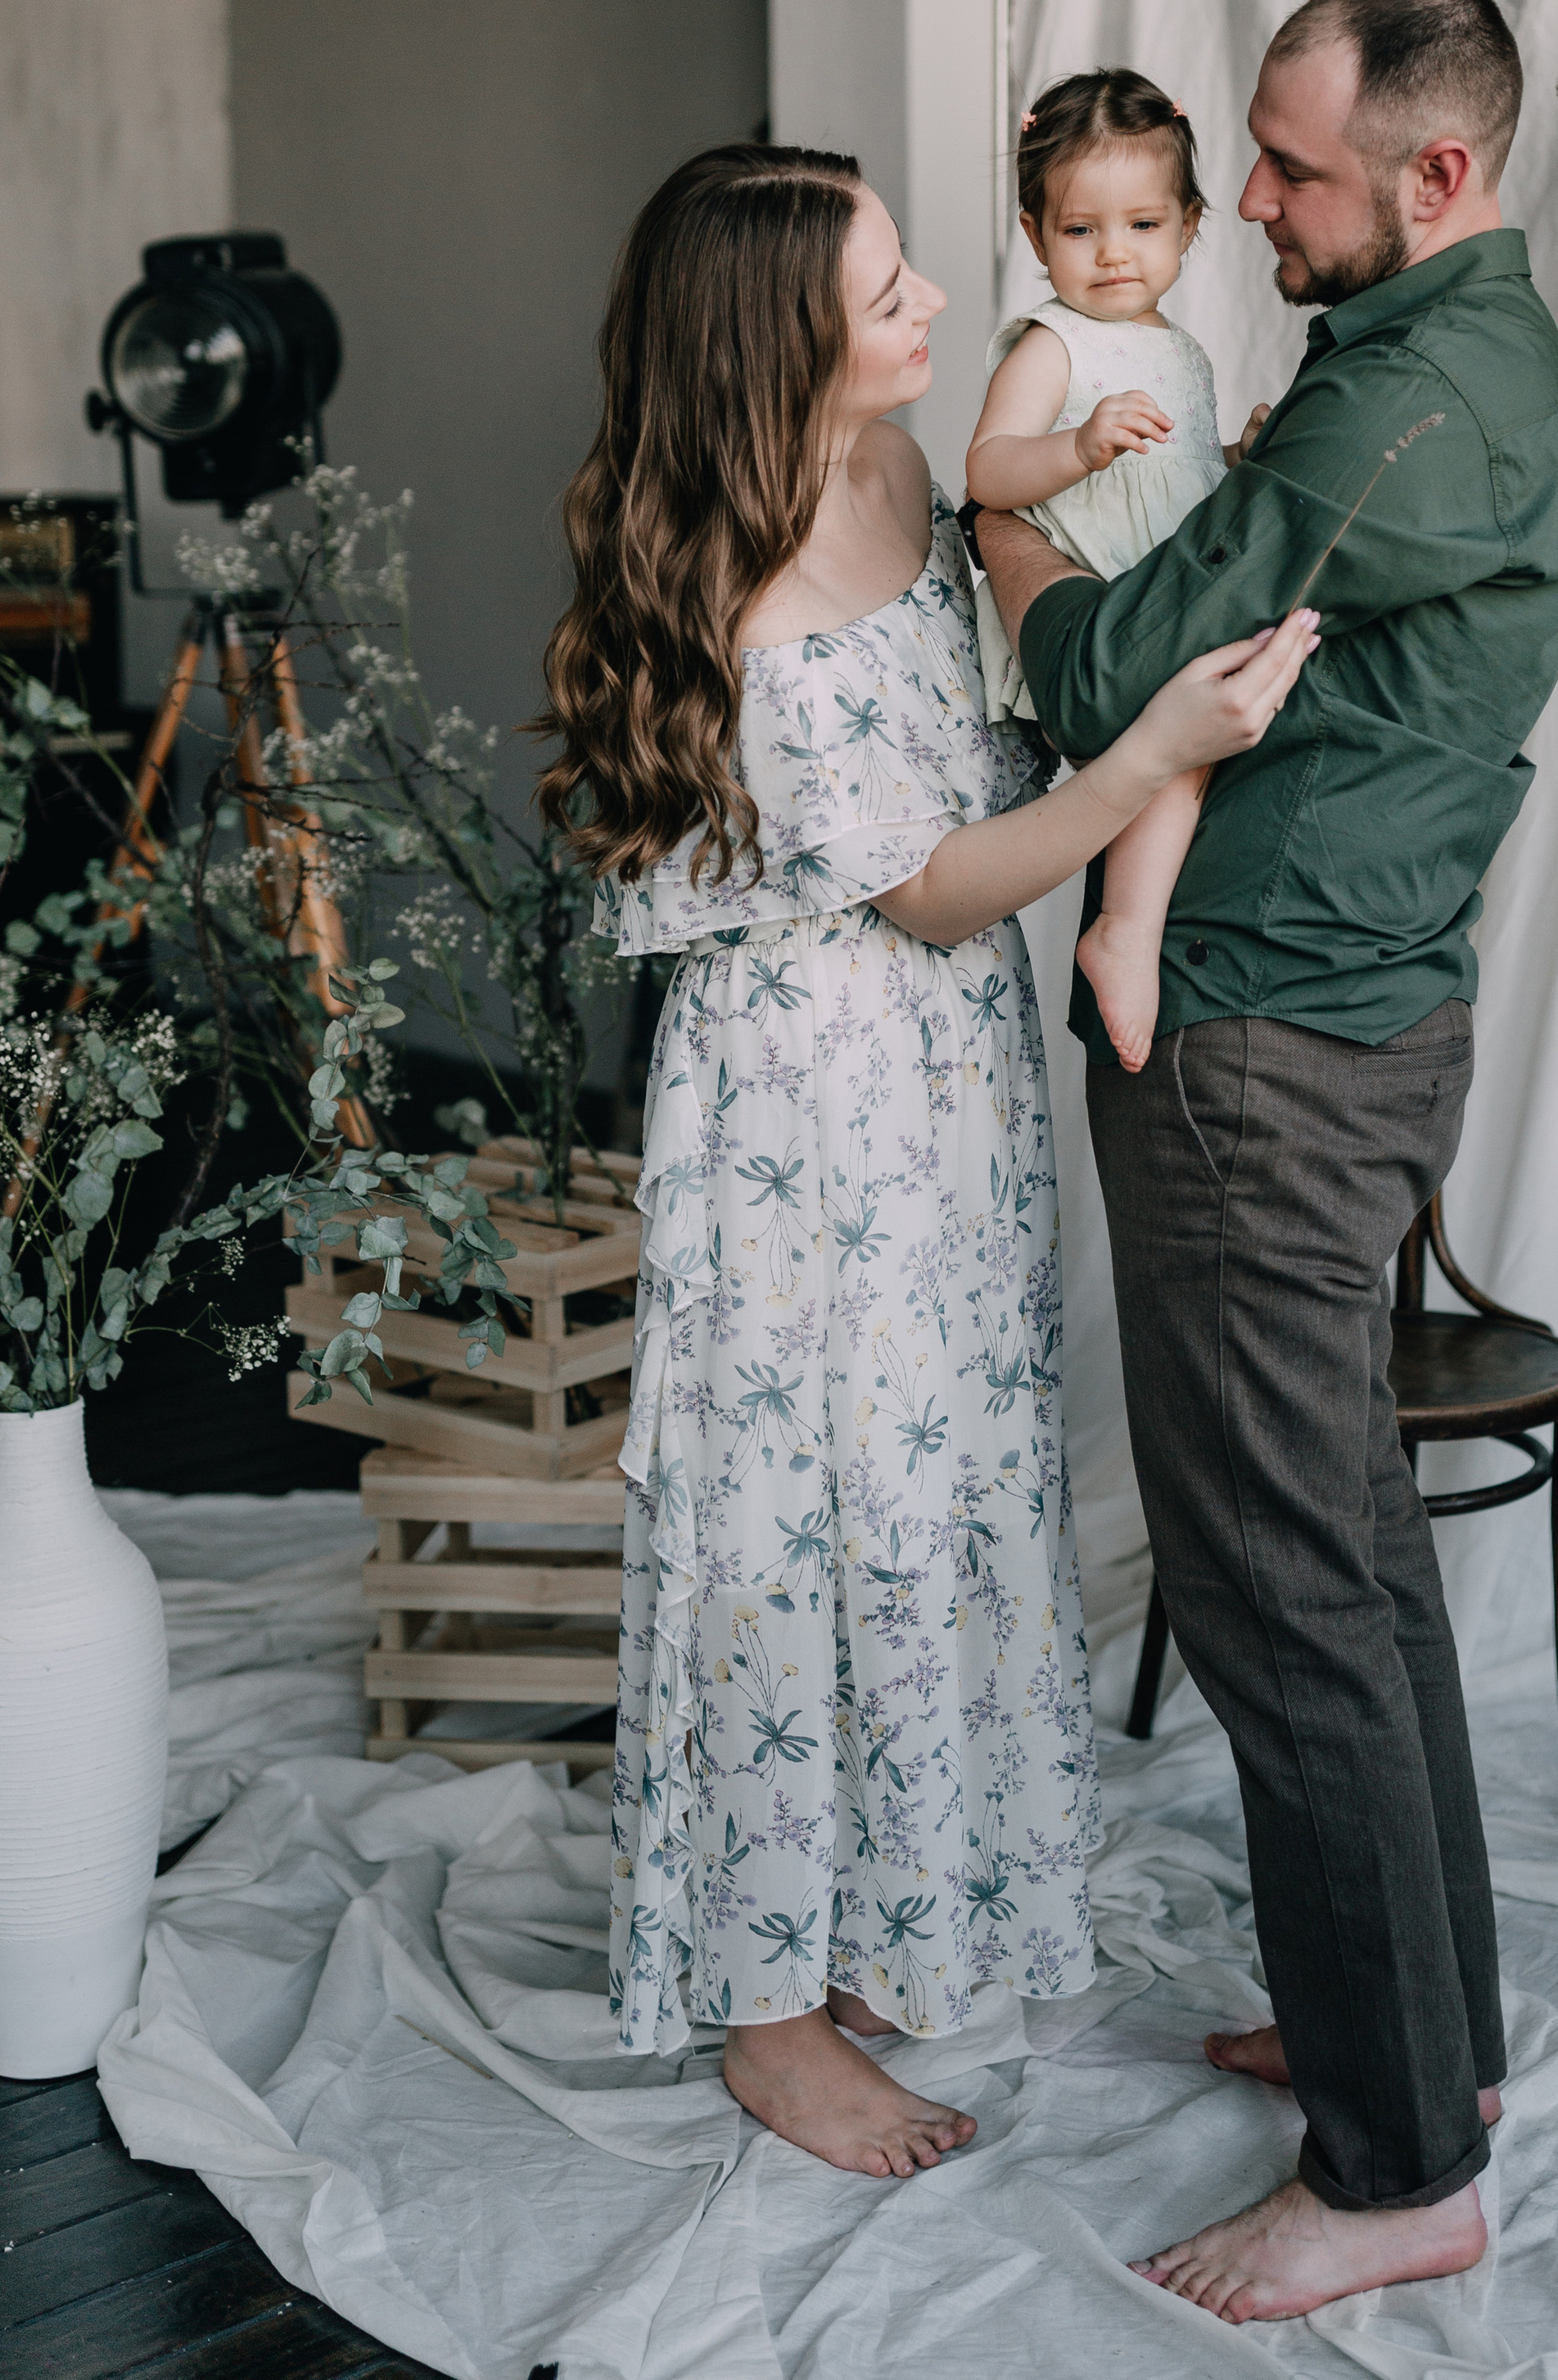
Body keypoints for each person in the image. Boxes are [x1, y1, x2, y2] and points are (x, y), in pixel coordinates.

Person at [535, 142, 1319, 2184]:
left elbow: (1045, 595)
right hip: (812, 1107)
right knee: (794, 1515)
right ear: (775, 331)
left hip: (938, 1101)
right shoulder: (753, 565)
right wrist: (1152, 763)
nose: (940, 310)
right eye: (891, 289)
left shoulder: (913, 473)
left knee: (926, 1486)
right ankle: (768, 2015)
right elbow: (932, 886)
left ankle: (871, 1906)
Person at [977, 0, 1558, 2320]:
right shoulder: (1425, 362)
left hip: (1264, 1057)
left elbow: (1111, 675)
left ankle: (1396, 2170)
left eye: (1292, 170)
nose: (1241, 203)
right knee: (1346, 1556)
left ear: (1436, 175)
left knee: (1275, 1591)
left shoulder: (1393, 414)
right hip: (1350, 1024)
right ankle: (1428, 2055)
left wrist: (1017, 557)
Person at [966, 68, 1272, 1075]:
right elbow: (989, 468)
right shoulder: (1056, 345)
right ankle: (1124, 933)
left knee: (1203, 746)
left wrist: (1236, 458)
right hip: (1098, 600)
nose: (1112, 255)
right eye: (1080, 231)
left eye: (1142, 225)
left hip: (1159, 585)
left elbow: (1174, 473)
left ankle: (1137, 926)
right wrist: (1079, 448)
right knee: (1179, 744)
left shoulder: (1177, 350)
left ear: (1189, 227)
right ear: (1033, 233)